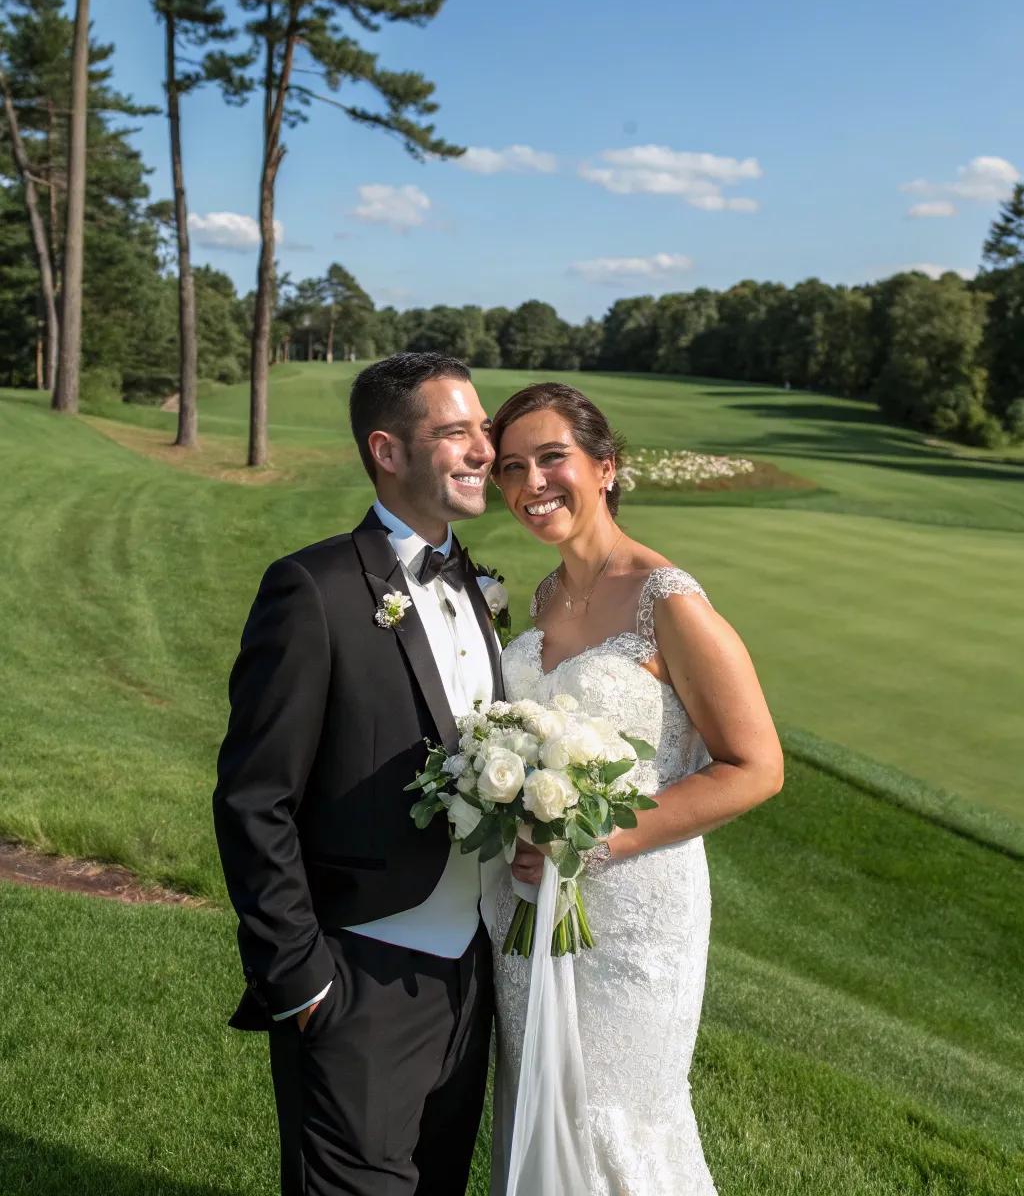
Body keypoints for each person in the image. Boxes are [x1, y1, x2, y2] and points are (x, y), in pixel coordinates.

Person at [213, 353, 502, 1196]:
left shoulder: (479, 587)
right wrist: (301, 981)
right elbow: (253, 798)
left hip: (471, 976)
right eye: (455, 432)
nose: (484, 449)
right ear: (387, 449)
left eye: (481, 428)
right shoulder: (313, 588)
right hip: (359, 979)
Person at [486, 381, 784, 1196]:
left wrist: (597, 839)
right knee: (539, 1108)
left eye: (553, 459)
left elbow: (757, 766)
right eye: (513, 467)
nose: (531, 483)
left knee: (613, 1118)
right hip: (524, 909)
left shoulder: (670, 603)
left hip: (635, 915)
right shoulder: (540, 597)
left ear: (607, 467)